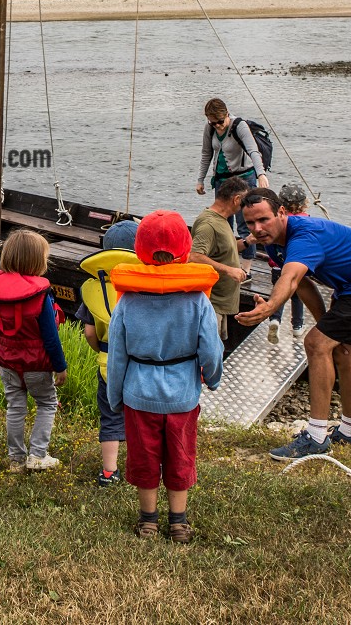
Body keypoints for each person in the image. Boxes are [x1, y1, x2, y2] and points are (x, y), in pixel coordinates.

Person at [235, 189, 351, 461]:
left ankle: (316, 437)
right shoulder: (274, 240)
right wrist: (324, 320)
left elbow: (290, 278)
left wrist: (270, 306)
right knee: (344, 350)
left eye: (264, 220)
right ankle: (350, 431)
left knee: (315, 344)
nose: (257, 229)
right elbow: (303, 284)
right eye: (251, 223)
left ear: (282, 213)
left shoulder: (303, 237)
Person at [105, 210, 224, 544]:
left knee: (144, 458)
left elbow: (117, 356)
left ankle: (147, 521)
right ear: (185, 249)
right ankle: (179, 522)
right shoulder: (197, 300)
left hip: (138, 392)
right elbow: (211, 350)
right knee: (180, 455)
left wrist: (115, 396)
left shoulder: (127, 300)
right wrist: (212, 379)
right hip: (182, 394)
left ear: (139, 250)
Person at [0, 230, 69, 472]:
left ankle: (16, 459)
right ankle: (38, 455)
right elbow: (51, 338)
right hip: (37, 364)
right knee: (47, 403)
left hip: (7, 361)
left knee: (15, 407)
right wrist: (60, 367)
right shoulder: (40, 296)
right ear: (37, 263)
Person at [74, 219, 139, 486]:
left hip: (107, 360)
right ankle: (146, 465)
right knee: (140, 417)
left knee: (111, 415)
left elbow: (89, 332)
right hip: (140, 362)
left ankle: (109, 472)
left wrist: (100, 349)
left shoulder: (95, 288)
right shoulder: (144, 285)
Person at [195, 98, 270, 259]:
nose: (217, 125)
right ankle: (226, 257)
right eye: (213, 122)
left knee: (245, 223)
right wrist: (200, 180)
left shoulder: (239, 126)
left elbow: (253, 151)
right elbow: (206, 154)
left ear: (227, 114)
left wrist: (261, 174)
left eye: (220, 122)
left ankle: (247, 266)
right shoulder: (210, 129)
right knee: (222, 223)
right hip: (221, 181)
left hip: (243, 179)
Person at [189, 175, 252, 339]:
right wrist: (229, 270)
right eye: (244, 202)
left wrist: (248, 241)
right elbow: (195, 256)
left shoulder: (221, 220)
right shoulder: (209, 224)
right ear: (236, 199)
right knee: (209, 354)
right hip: (212, 304)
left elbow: (225, 250)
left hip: (222, 305)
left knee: (218, 350)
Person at [259, 183, 309, 342]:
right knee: (297, 296)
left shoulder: (277, 221)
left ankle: (275, 320)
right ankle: (297, 326)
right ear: (304, 203)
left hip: (278, 267)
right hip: (297, 269)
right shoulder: (306, 222)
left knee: (278, 294)